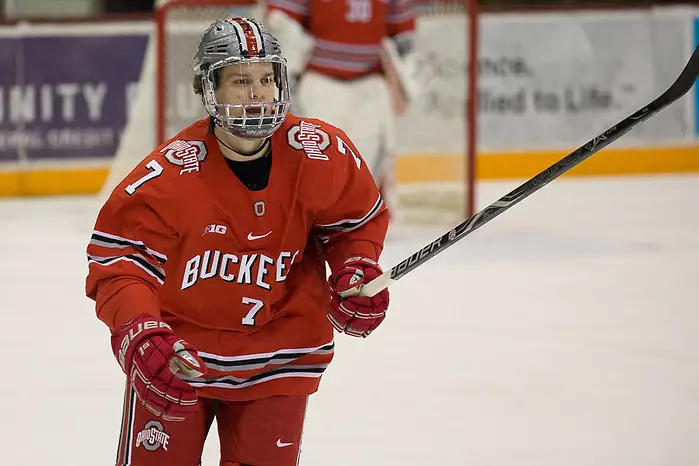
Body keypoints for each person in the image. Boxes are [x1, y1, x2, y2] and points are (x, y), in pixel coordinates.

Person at [85, 17, 390, 466]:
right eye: (240, 80)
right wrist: (140, 332)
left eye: (267, 78)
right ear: (209, 89)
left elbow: (353, 224)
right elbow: (121, 263)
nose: (257, 93)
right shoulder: (168, 176)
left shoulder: (320, 152)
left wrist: (356, 267)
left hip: (281, 356)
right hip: (181, 360)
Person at [265, 0, 418, 222]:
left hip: (370, 83)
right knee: (315, 163)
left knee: (367, 166)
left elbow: (402, 33)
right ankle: (308, 227)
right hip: (320, 81)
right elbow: (282, 21)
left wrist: (403, 71)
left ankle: (356, 228)